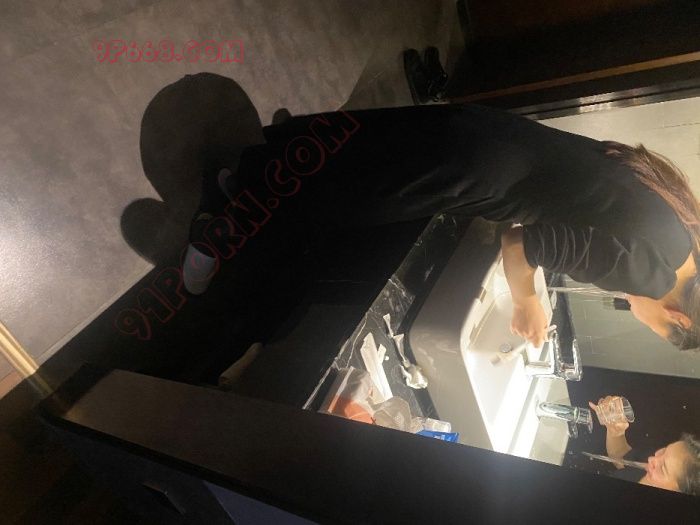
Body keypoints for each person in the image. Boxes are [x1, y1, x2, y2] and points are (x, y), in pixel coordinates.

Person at [187, 103, 700, 350]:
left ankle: (248, 175)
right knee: (346, 196)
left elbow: (574, 212)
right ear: (679, 318)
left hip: (497, 134)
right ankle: (222, 230)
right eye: (657, 330)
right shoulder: (652, 276)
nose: (641, 317)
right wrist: (527, 301)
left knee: (365, 148)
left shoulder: (681, 225)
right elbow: (522, 241)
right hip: (478, 172)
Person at [589, 396, 700, 494]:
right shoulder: (651, 468)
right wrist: (615, 432)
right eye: (664, 451)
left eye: (662, 469)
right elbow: (620, 458)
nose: (651, 459)